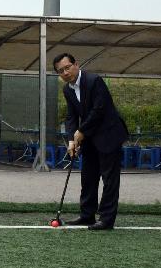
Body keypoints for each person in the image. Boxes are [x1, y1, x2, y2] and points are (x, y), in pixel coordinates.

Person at [55, 53, 129, 230]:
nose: (65, 72)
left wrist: (81, 131)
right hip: (89, 137)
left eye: (67, 67)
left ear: (76, 64)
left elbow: (99, 109)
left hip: (109, 134)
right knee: (88, 176)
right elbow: (71, 116)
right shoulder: (67, 89)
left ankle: (106, 219)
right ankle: (87, 215)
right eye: (60, 71)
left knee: (109, 179)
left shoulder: (94, 80)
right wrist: (72, 139)